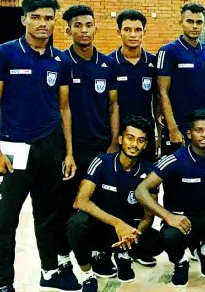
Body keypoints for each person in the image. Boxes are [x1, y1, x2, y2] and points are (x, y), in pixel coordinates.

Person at [0, 0, 79, 292]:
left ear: (54, 22)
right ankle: (4, 284)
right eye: (36, 17)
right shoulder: (3, 54)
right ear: (24, 18)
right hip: (14, 150)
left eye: (48, 18)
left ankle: (49, 272)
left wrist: (68, 152)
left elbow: (64, 108)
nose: (43, 23)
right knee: (5, 222)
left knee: (48, 216)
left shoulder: (60, 60)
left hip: (50, 147)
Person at [134, 109, 205, 287]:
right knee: (170, 238)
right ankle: (180, 261)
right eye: (199, 130)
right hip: (181, 216)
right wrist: (167, 216)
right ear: (189, 134)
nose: (204, 135)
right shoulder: (175, 160)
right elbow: (141, 191)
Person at [56, 3, 122, 277]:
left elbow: (114, 106)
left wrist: (114, 143)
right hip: (72, 149)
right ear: (68, 29)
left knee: (103, 203)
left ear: (96, 27)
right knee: (68, 204)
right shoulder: (61, 62)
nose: (84, 31)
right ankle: (65, 257)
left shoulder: (107, 64)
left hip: (102, 147)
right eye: (78, 26)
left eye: (88, 25)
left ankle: (100, 251)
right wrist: (69, 152)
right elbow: (63, 107)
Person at [66, 116, 163, 290]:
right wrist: (117, 224)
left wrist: (133, 236)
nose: (134, 144)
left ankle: (123, 254)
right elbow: (80, 202)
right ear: (120, 139)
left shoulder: (150, 172)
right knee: (77, 222)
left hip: (129, 230)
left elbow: (149, 216)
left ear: (146, 144)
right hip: (102, 226)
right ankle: (88, 274)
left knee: (158, 242)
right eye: (130, 138)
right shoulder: (102, 162)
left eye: (140, 140)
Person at [156, 3, 205, 155]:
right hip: (178, 127)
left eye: (199, 22)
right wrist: (172, 127)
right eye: (190, 21)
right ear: (181, 23)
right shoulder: (168, 51)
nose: (195, 26)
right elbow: (162, 92)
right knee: (174, 175)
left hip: (202, 128)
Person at [107, 9, 160, 162]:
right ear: (119, 32)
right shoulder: (109, 63)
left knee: (146, 180)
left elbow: (157, 100)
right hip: (119, 136)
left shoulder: (153, 62)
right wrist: (113, 139)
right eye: (127, 30)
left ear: (144, 32)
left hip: (145, 134)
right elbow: (111, 105)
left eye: (138, 30)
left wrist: (158, 137)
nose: (133, 35)